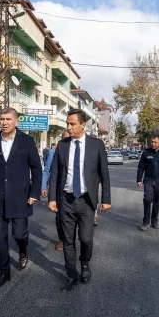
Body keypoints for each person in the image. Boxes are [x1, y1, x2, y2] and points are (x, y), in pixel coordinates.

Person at [0, 107, 43, 288]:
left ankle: (23, 251)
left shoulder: (27, 141)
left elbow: (37, 169)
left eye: (8, 119)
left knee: (20, 234)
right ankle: (4, 272)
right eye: (2, 119)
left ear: (16, 121)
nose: (4, 122)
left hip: (21, 197)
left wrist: (34, 193)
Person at [48, 110, 111, 292]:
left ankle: (84, 263)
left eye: (72, 124)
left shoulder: (96, 145)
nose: (68, 127)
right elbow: (55, 174)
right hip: (66, 200)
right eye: (67, 124)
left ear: (83, 125)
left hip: (86, 200)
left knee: (85, 238)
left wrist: (105, 198)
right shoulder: (62, 145)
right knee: (68, 241)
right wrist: (53, 198)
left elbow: (104, 174)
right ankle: (71, 274)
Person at [41, 129, 71, 251]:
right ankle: (62, 239)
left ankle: (70, 238)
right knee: (59, 217)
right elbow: (47, 169)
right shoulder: (53, 152)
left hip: (73, 189)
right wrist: (43, 186)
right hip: (58, 189)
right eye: (64, 138)